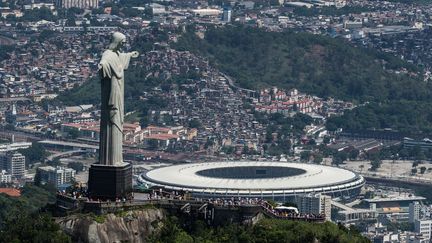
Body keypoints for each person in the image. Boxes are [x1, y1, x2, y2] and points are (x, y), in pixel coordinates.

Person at [98, 32, 139, 165]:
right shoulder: (108, 54)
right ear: (117, 41)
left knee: (118, 122)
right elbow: (104, 61)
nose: (124, 44)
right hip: (113, 93)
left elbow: (120, 57)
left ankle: (116, 159)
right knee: (112, 122)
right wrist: (102, 66)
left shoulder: (116, 54)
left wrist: (129, 55)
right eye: (122, 42)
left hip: (119, 92)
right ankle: (110, 160)